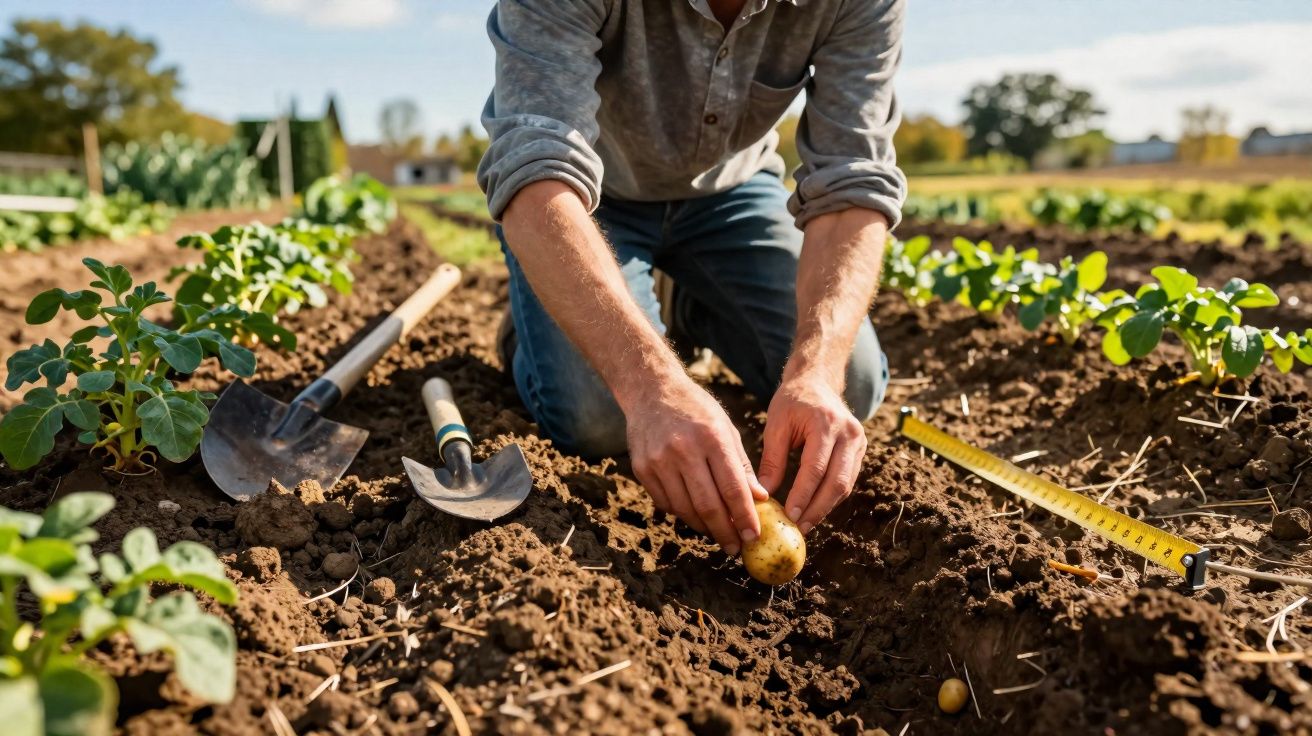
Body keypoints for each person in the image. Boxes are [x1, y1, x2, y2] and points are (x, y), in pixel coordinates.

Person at [478, 0, 906, 557]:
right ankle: (543, 313)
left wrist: (817, 372)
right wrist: (653, 386)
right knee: (600, 421)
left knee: (855, 380)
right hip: (586, 202)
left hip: (731, 193)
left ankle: (684, 305)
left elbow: (853, 184)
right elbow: (535, 175)